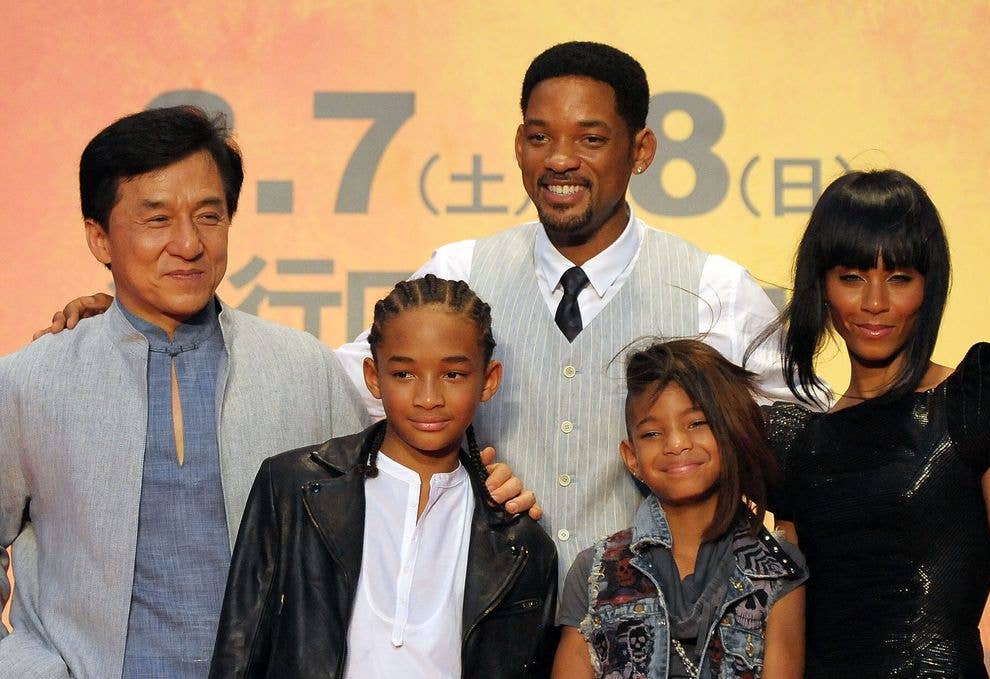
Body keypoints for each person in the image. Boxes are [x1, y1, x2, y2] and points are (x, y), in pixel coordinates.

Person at [39, 42, 799, 578]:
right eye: (540, 137)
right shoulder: (460, 271)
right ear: (518, 145)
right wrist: (140, 316)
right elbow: (330, 389)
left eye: (590, 139)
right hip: (480, 625)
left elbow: (807, 451)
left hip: (651, 634)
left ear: (640, 151)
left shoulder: (711, 288)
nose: (560, 159)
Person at [0, 107, 532, 678]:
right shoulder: (31, 383)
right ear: (99, 238)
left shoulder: (301, 367)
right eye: (156, 220)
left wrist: (480, 484)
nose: (188, 244)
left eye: (210, 215)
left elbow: (391, 493)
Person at [209, 274, 558, 677]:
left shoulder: (522, 544)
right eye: (404, 374)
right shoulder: (293, 487)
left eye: (454, 375)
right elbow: (241, 647)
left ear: (489, 380)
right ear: (373, 378)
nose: (429, 398)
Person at [762, 169, 990, 677]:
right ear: (822, 285)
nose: (875, 303)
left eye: (899, 278)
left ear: (930, 286)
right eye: (852, 277)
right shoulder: (794, 442)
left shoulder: (979, 397)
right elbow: (787, 623)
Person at [553, 339, 806, 679]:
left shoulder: (778, 569)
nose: (676, 444)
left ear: (729, 433)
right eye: (653, 433)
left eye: (696, 424)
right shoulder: (595, 571)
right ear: (632, 458)